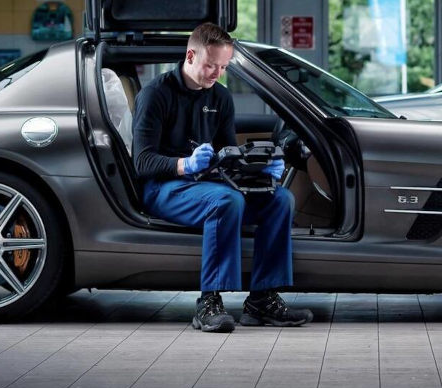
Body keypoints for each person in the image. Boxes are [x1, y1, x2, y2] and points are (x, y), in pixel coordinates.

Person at [131, 22, 313, 333]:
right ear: (191, 55)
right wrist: (185, 165)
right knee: (226, 201)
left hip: (209, 186)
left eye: (224, 67)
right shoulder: (155, 94)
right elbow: (143, 161)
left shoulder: (221, 98)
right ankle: (208, 303)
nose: (217, 73)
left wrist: (259, 167)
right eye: (211, 65)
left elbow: (226, 155)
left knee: (280, 198)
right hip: (165, 189)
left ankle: (262, 302)